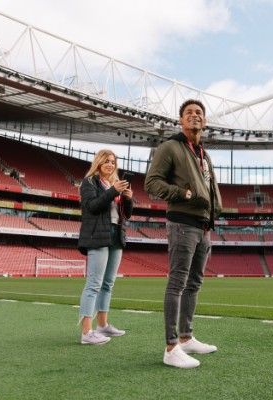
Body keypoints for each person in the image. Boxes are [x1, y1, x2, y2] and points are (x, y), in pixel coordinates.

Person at [145, 99, 222, 368]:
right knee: (178, 282)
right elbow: (151, 182)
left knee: (194, 283)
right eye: (188, 113)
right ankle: (171, 347)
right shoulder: (170, 147)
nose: (194, 116)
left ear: (205, 121)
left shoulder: (203, 152)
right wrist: (182, 193)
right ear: (180, 120)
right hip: (182, 223)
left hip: (203, 225)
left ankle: (187, 338)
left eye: (199, 113)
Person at [77, 149, 133, 345]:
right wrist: (113, 191)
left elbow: (127, 215)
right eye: (106, 161)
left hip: (116, 235)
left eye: (113, 161)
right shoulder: (89, 182)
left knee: (108, 284)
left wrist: (127, 198)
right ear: (98, 163)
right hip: (98, 236)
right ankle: (86, 332)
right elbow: (91, 206)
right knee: (94, 283)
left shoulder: (113, 184)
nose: (110, 164)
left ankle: (103, 325)